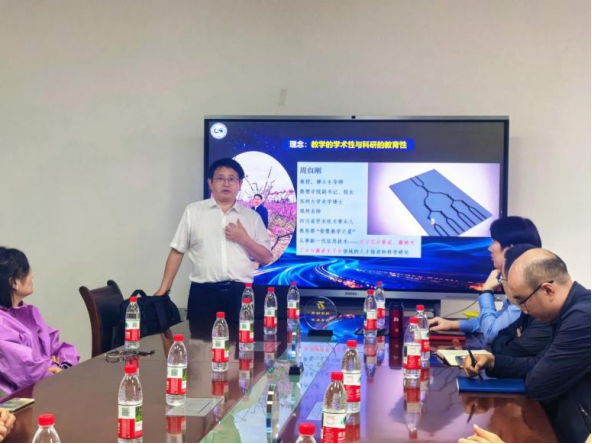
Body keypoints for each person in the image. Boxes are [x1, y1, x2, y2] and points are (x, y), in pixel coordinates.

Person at [463, 249, 591, 443]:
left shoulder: (583, 318)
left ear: (547, 290)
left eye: (522, 301)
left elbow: (537, 383)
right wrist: (493, 362)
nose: (523, 310)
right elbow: (538, 364)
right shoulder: (566, 313)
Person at [154, 158, 272, 323]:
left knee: (241, 339)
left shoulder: (252, 217)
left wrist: (244, 239)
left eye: (232, 179)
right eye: (220, 178)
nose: (226, 183)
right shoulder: (193, 212)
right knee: (199, 338)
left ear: (240, 184)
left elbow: (266, 258)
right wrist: (163, 289)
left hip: (240, 294)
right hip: (203, 293)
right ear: (210, 183)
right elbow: (177, 251)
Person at [430, 216, 542, 344]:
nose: (489, 248)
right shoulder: (521, 280)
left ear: (509, 249)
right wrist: (453, 324)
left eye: (494, 242)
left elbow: (491, 333)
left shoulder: (526, 290)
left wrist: (487, 291)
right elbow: (494, 321)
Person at [0, 248, 80, 397]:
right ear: (13, 282)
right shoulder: (2, 324)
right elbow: (28, 371)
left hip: (48, 390)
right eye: (27, 272)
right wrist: (53, 366)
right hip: (22, 402)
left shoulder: (30, 312)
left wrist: (63, 366)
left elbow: (59, 347)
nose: (32, 276)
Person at [490, 244, 553, 358]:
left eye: (502, 278)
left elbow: (509, 352)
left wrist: (486, 290)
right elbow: (499, 337)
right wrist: (514, 340)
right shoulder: (527, 310)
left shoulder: (544, 316)